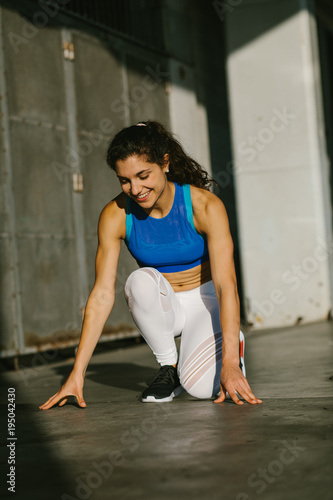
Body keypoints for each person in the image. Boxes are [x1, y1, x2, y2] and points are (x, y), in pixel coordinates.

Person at [39, 121, 262, 410]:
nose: (136, 189)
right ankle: (168, 367)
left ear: (165, 163)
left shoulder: (205, 206)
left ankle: (227, 349)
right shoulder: (115, 215)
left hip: (206, 302)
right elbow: (103, 294)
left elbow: (225, 285)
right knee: (139, 281)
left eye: (143, 176)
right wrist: (76, 374)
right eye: (125, 180)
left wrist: (230, 363)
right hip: (164, 303)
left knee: (202, 388)